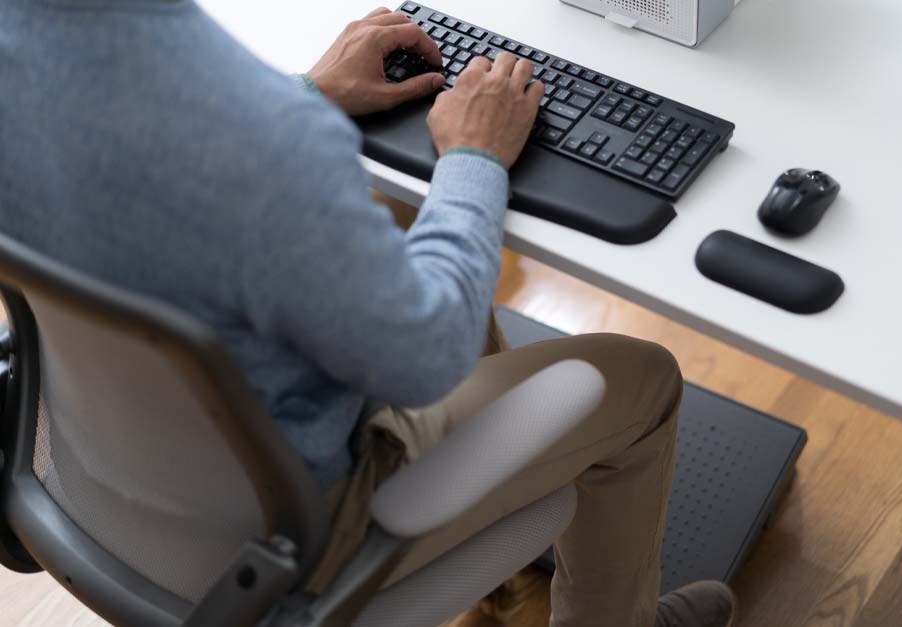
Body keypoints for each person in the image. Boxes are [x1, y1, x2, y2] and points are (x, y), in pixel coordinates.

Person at [0, 2, 736, 625]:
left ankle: (502, 581)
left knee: (391, 219)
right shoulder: (265, 135)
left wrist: (310, 92)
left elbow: (136, 155)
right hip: (292, 526)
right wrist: (475, 156)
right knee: (640, 376)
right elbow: (429, 353)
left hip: (86, 464)